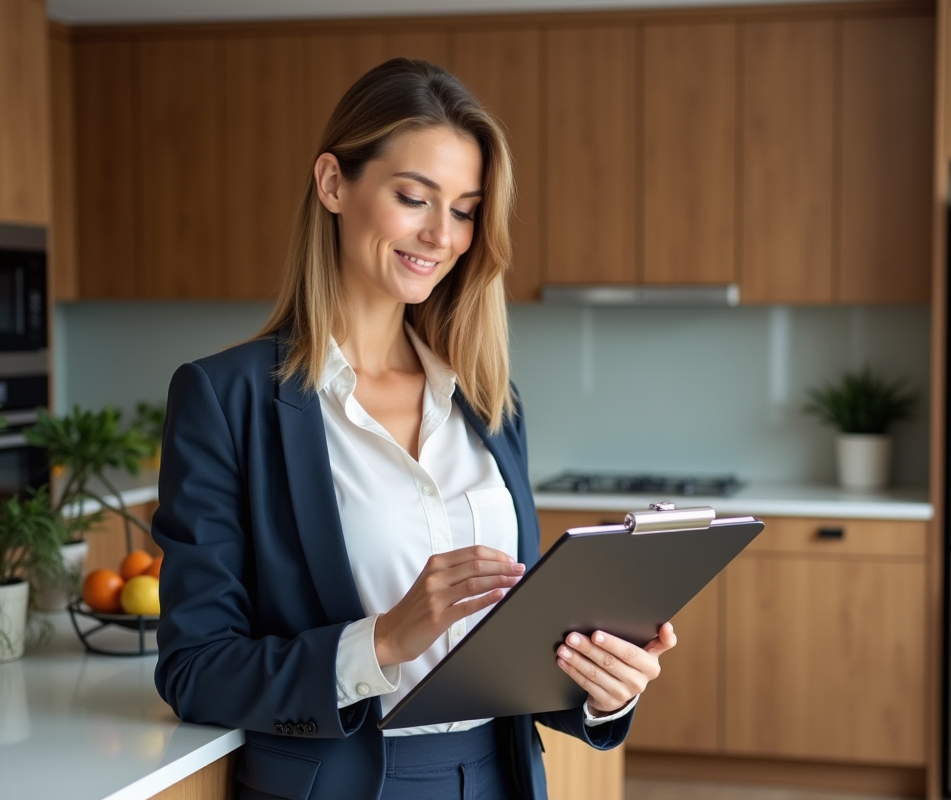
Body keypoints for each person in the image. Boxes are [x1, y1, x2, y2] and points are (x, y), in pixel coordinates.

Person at [151, 58, 678, 800]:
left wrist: (603, 688)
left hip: (499, 779)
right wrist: (382, 641)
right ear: (334, 184)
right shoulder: (224, 397)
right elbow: (194, 671)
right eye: (413, 197)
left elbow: (512, 659)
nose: (441, 234)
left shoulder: (490, 401)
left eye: (464, 209)